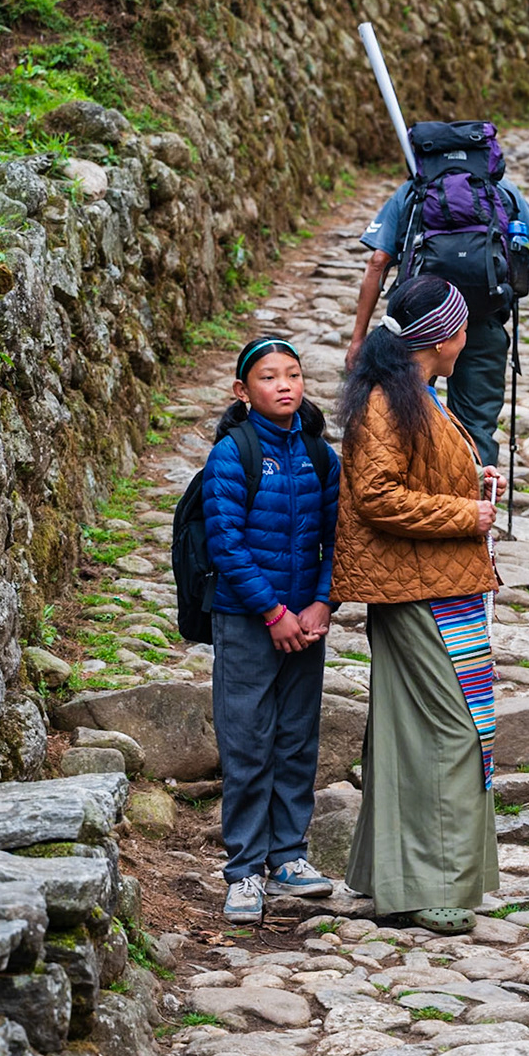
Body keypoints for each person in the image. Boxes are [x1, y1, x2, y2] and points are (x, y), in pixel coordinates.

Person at [334, 276, 503, 934]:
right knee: (454, 732)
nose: (472, 338)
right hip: (415, 590)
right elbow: (377, 495)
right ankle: (432, 884)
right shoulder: (386, 402)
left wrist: (473, 478)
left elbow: (418, 474)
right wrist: (469, 513)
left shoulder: (418, 395)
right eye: (466, 328)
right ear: (445, 336)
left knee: (415, 732)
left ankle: (403, 880)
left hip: (433, 583)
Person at [202, 338, 342, 924]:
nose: (284, 386)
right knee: (247, 742)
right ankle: (243, 871)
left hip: (305, 623)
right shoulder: (233, 454)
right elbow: (226, 544)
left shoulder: (319, 453)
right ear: (243, 391)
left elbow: (340, 538)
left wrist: (321, 603)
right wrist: (273, 614)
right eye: (268, 377)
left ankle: (288, 859)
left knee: (295, 740)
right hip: (247, 621)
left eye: (293, 375)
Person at [349, 143, 529, 466]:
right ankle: (476, 506)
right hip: (481, 319)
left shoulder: (413, 192)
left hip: (414, 325)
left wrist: (358, 338)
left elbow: (378, 261)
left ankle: (408, 495)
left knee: (398, 413)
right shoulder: (502, 191)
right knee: (475, 426)